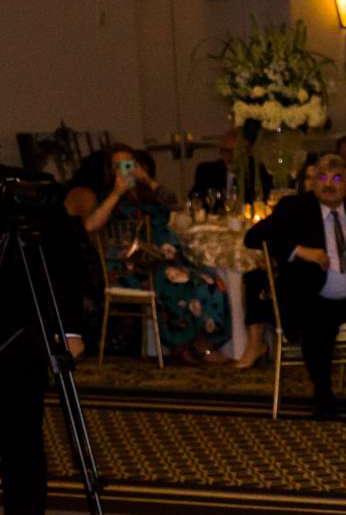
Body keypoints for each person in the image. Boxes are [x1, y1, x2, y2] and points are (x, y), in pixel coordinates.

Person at [1, 170, 88, 515]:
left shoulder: (26, 195)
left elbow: (66, 259)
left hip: (16, 339)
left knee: (22, 446)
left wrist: (68, 329)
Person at [250, 151, 346, 417]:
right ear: (313, 182)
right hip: (314, 296)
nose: (329, 184)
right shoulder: (295, 208)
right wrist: (300, 251)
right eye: (322, 177)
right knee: (317, 324)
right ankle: (323, 394)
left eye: (337, 178)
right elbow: (253, 237)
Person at [80, 146, 232, 362]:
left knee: (210, 280)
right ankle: (186, 345)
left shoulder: (149, 194)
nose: (126, 170)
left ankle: (204, 343)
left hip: (165, 258)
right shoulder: (107, 197)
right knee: (178, 281)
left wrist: (148, 180)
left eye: (130, 164)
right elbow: (90, 225)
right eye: (119, 166)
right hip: (131, 265)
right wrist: (117, 192)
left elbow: (178, 207)